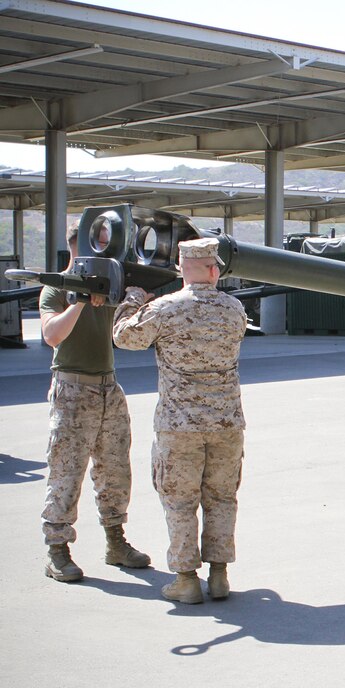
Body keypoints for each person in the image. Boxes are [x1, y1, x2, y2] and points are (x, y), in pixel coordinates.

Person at [113, 238, 248, 604]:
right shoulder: (235, 309)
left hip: (179, 425)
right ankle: (219, 576)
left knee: (180, 501)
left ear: (180, 268)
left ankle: (186, 579)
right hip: (226, 423)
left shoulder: (165, 308)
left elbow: (124, 338)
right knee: (222, 498)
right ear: (214, 269)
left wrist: (133, 299)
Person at [39, 223, 150, 583]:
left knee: (115, 471)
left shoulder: (110, 283)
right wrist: (81, 302)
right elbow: (52, 335)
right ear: (79, 247)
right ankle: (57, 550)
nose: (108, 253)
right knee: (66, 472)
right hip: (72, 389)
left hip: (108, 388)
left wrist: (134, 297)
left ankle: (115, 542)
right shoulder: (57, 286)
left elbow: (129, 333)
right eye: (101, 246)